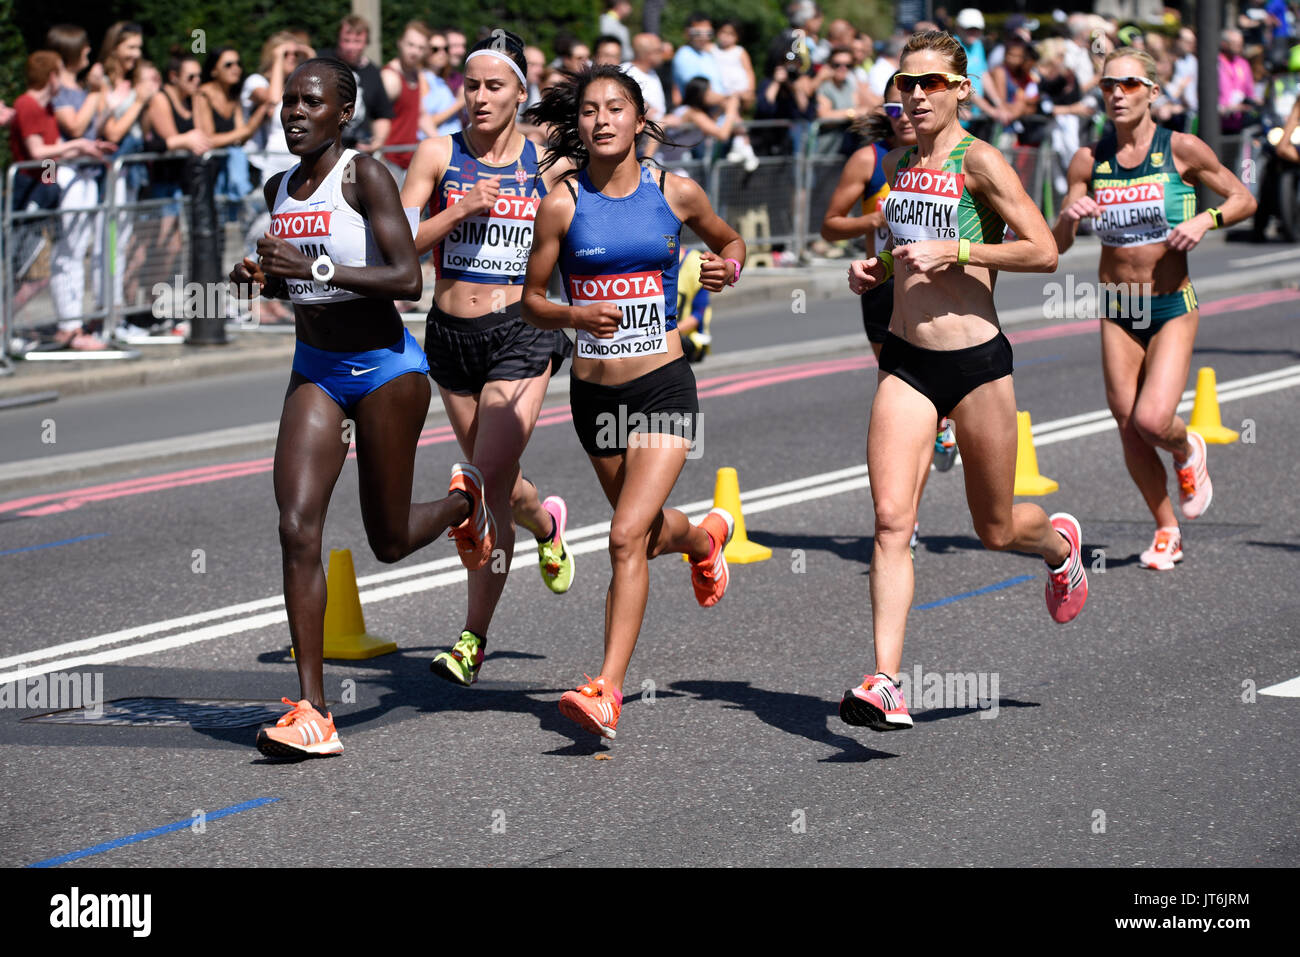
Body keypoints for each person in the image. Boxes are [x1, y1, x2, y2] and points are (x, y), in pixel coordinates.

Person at [841, 31, 1089, 733]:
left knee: (995, 525)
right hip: (906, 359)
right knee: (892, 521)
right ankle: (887, 680)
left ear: (959, 89)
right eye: (904, 83)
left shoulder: (979, 160)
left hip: (977, 361)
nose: (914, 95)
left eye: (929, 83)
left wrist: (960, 248)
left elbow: (1042, 249)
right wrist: (877, 269)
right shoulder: (900, 160)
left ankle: (1059, 548)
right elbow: (901, 246)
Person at [229, 57, 467, 758]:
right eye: (287, 102)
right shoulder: (279, 187)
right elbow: (289, 273)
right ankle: (314, 709)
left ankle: (464, 505)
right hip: (319, 370)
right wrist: (258, 274)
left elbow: (408, 278)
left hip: (388, 372)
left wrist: (315, 268)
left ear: (343, 114)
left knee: (388, 542)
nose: (294, 112)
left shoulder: (363, 175)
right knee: (297, 525)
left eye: (310, 102)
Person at [522, 63, 746, 739]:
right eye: (589, 110)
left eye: (615, 107)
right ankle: (705, 538)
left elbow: (730, 241)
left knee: (623, 536)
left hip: (663, 386)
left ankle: (607, 689)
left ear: (639, 118)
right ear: (580, 125)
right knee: (644, 535)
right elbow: (531, 301)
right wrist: (572, 317)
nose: (601, 119)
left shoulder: (673, 191)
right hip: (594, 396)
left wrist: (725, 266)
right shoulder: (560, 203)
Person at [400, 29, 578, 687]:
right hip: (450, 336)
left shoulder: (546, 163)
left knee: (482, 478)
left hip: (523, 333)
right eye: (469, 85)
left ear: (519, 93)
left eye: (492, 86)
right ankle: (547, 520)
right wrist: (457, 213)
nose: (477, 97)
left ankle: (472, 638)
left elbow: (608, 195)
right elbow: (399, 244)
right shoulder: (437, 153)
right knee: (499, 481)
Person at [1052, 47, 1257, 572]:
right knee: (1126, 425)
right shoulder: (1087, 159)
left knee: (1151, 419)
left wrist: (1206, 219)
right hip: (1118, 306)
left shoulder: (1182, 149)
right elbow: (1054, 244)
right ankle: (1166, 526)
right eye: (1107, 86)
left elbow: (1243, 198)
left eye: (1128, 84)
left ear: (1153, 91)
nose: (1116, 93)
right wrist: (1069, 217)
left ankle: (1187, 447)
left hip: (1169, 304)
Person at [821, 80, 951, 553]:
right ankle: (905, 518)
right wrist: (872, 221)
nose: (902, 113)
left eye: (908, 104)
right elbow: (830, 226)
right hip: (882, 286)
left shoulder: (953, 157)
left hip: (935, 287)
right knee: (900, 399)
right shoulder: (871, 161)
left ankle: (943, 424)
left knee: (931, 395)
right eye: (893, 106)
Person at [197, 47, 268, 208]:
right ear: (214, 71)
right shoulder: (203, 94)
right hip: (208, 172)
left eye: (238, 64)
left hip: (227, 166)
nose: (236, 68)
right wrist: (244, 131)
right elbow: (209, 139)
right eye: (228, 65)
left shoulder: (233, 95)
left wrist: (263, 107)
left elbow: (242, 137)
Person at [319, 15, 394, 154]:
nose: (351, 47)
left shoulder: (372, 72)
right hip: (324, 147)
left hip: (356, 151)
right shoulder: (322, 62)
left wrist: (377, 141)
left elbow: (382, 114)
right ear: (338, 39)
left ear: (366, 42)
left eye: (357, 41)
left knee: (351, 176)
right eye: (346, 40)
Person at [381, 21, 431, 177]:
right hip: (388, 160)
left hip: (408, 159)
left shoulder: (415, 75)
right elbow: (375, 120)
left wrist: (443, 143)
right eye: (410, 45)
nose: (415, 51)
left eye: (420, 48)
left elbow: (421, 115)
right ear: (400, 43)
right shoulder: (390, 78)